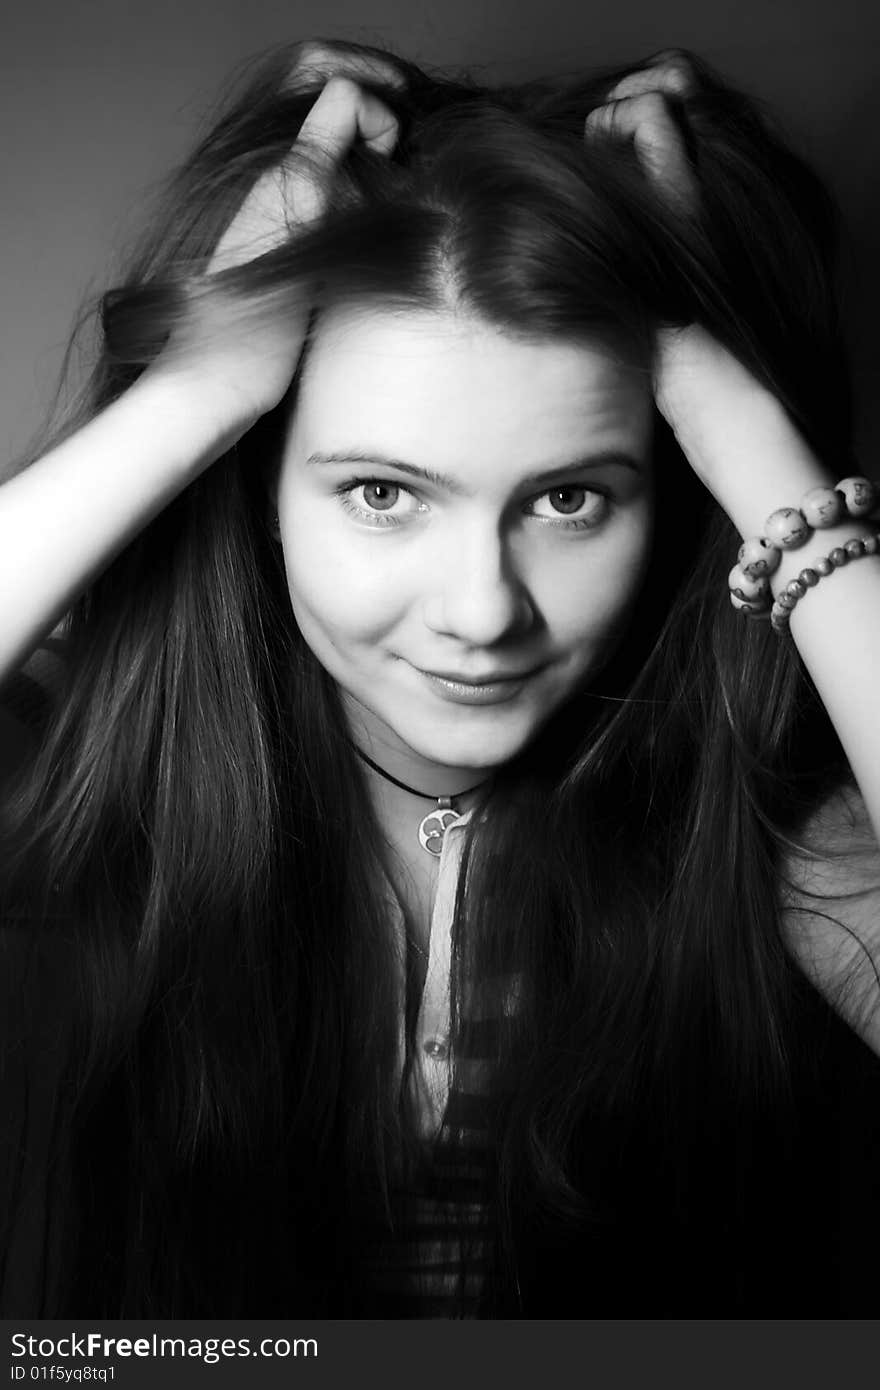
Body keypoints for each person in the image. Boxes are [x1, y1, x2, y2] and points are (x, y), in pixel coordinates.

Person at [1, 37, 879, 1319]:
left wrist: (735, 413)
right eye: (381, 491)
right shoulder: (88, 780)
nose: (482, 611)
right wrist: (196, 386)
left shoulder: (765, 826)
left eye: (572, 497)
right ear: (259, 487)